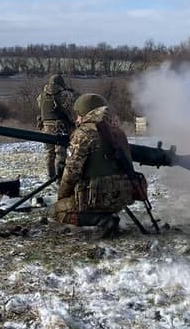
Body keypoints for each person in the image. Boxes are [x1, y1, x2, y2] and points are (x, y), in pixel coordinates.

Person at [49, 93, 136, 237]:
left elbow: (71, 173)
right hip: (122, 197)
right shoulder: (118, 132)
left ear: (86, 113)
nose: (77, 119)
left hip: (96, 197)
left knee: (56, 211)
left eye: (78, 114)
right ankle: (107, 215)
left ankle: (102, 220)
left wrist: (62, 196)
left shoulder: (83, 134)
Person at [36, 73, 78, 180]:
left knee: (49, 153)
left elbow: (40, 106)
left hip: (46, 127)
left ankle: (51, 176)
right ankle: (59, 179)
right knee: (61, 153)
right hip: (60, 127)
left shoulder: (42, 96)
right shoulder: (64, 94)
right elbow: (75, 102)